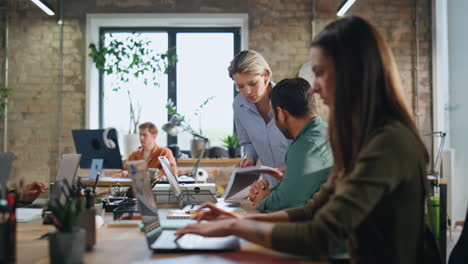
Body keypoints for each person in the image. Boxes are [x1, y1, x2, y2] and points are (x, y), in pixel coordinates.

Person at [176, 16, 429, 264]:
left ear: (353, 73)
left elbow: (320, 234)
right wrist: (237, 222)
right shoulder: (356, 138)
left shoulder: (387, 143)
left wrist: (234, 227)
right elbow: (312, 210)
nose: (315, 87)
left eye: (320, 73)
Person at [250, 77, 332, 213]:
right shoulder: (324, 132)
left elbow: (288, 202)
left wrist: (263, 200)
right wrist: (269, 192)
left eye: (273, 115)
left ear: (281, 114)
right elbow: (298, 192)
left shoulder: (306, 145)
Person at [230, 50, 291, 188]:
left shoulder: (288, 99)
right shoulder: (239, 105)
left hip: (296, 181)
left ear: (265, 75)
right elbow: (248, 142)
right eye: (240, 86)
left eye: (252, 83)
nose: (247, 92)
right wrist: (250, 158)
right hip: (269, 185)